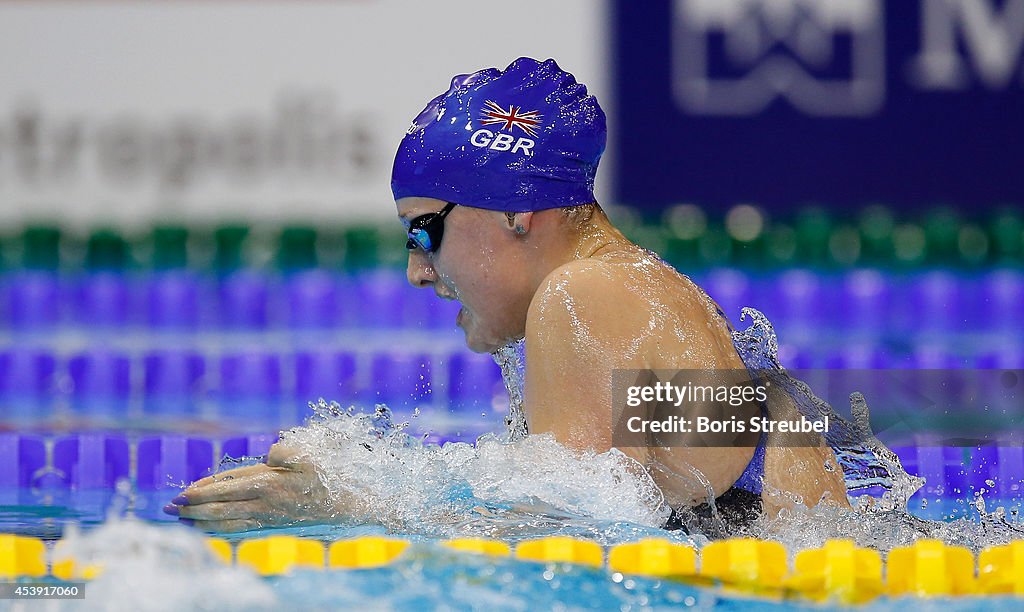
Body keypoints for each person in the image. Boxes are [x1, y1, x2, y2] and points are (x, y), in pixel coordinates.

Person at [165, 57, 848, 533]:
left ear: (516, 213)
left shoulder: (583, 293)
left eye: (424, 232)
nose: (417, 271)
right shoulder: (643, 289)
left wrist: (342, 500)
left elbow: (579, 527)